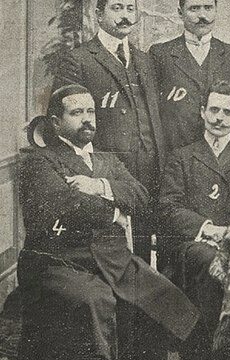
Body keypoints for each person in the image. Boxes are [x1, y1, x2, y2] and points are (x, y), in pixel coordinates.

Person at [17, 85, 199, 360]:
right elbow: (66, 205)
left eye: (91, 112)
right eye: (76, 113)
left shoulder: (107, 161)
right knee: (98, 301)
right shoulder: (41, 161)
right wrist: (116, 212)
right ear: (56, 122)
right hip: (61, 261)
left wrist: (99, 185)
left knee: (166, 298)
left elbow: (142, 197)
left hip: (115, 259)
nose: (87, 119)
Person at [159, 80, 230, 360]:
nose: (219, 118)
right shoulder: (181, 157)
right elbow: (168, 207)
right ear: (202, 112)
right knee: (211, 263)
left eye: (227, 112)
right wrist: (206, 227)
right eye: (213, 110)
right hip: (191, 246)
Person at [53, 0, 165, 262]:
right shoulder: (78, 60)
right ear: (99, 14)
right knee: (111, 257)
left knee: (143, 258)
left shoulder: (145, 60)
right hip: (107, 176)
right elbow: (67, 124)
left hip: (149, 173)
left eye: (129, 8)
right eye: (116, 8)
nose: (125, 15)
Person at [149, 0, 230, 150]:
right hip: (176, 150)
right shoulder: (160, 54)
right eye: (194, 8)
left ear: (215, 10)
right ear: (180, 13)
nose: (202, 15)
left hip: (221, 153)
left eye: (208, 8)